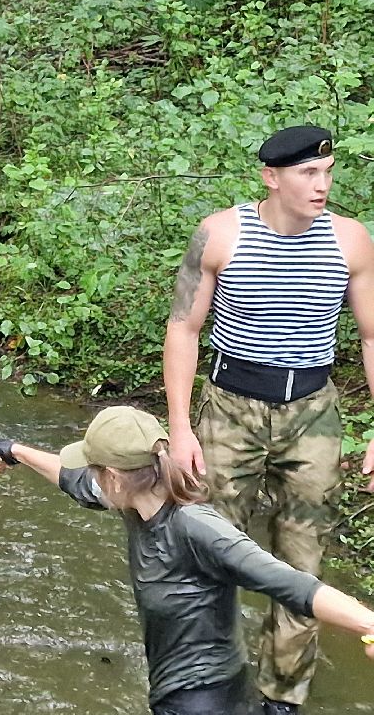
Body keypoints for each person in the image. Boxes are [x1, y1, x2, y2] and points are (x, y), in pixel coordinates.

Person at [162, 124, 374, 714]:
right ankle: (201, 678)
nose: (322, 185)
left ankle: (281, 697)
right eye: (309, 173)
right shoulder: (221, 234)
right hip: (231, 408)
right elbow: (183, 328)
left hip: (313, 414)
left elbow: (372, 335)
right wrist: (180, 429)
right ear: (271, 176)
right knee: (208, 547)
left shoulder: (350, 241)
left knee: (302, 558)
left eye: (328, 173)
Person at [4, 407, 374, 714]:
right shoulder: (140, 500)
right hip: (205, 694)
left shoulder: (196, 528)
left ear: (115, 477)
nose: (91, 478)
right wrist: (14, 450)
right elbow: (75, 482)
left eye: (95, 468)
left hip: (202, 703)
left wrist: (368, 623)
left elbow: (295, 586)